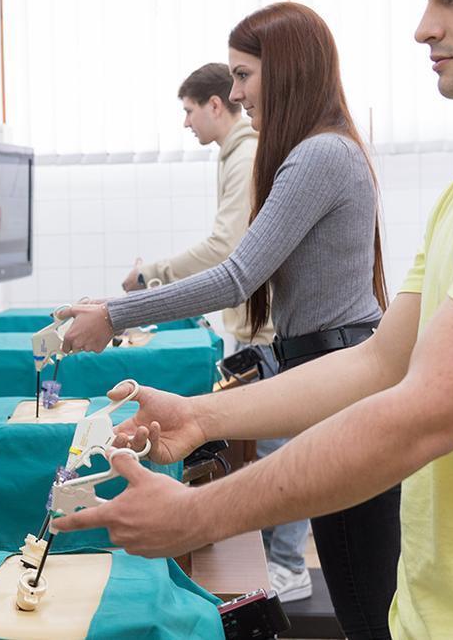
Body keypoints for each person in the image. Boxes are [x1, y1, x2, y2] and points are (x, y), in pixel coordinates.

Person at [53, 0, 453, 637]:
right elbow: (378, 364)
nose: (423, 28)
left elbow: (423, 412)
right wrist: (198, 413)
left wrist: (194, 513)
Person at [59, 2, 400, 636]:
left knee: (364, 591)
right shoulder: (316, 150)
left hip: (337, 369)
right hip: (322, 364)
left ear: (288, 69)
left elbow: (236, 274)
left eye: (244, 75)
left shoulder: (319, 155)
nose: (236, 94)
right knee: (360, 580)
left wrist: (114, 313)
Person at [123, 63, 310, 601]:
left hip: (266, 331)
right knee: (270, 446)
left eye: (188, 110)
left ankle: (288, 564)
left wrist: (149, 280)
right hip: (255, 327)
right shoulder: (235, 156)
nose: (185, 122)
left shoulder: (246, 155)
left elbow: (226, 253)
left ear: (214, 104)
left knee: (278, 448)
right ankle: (279, 560)